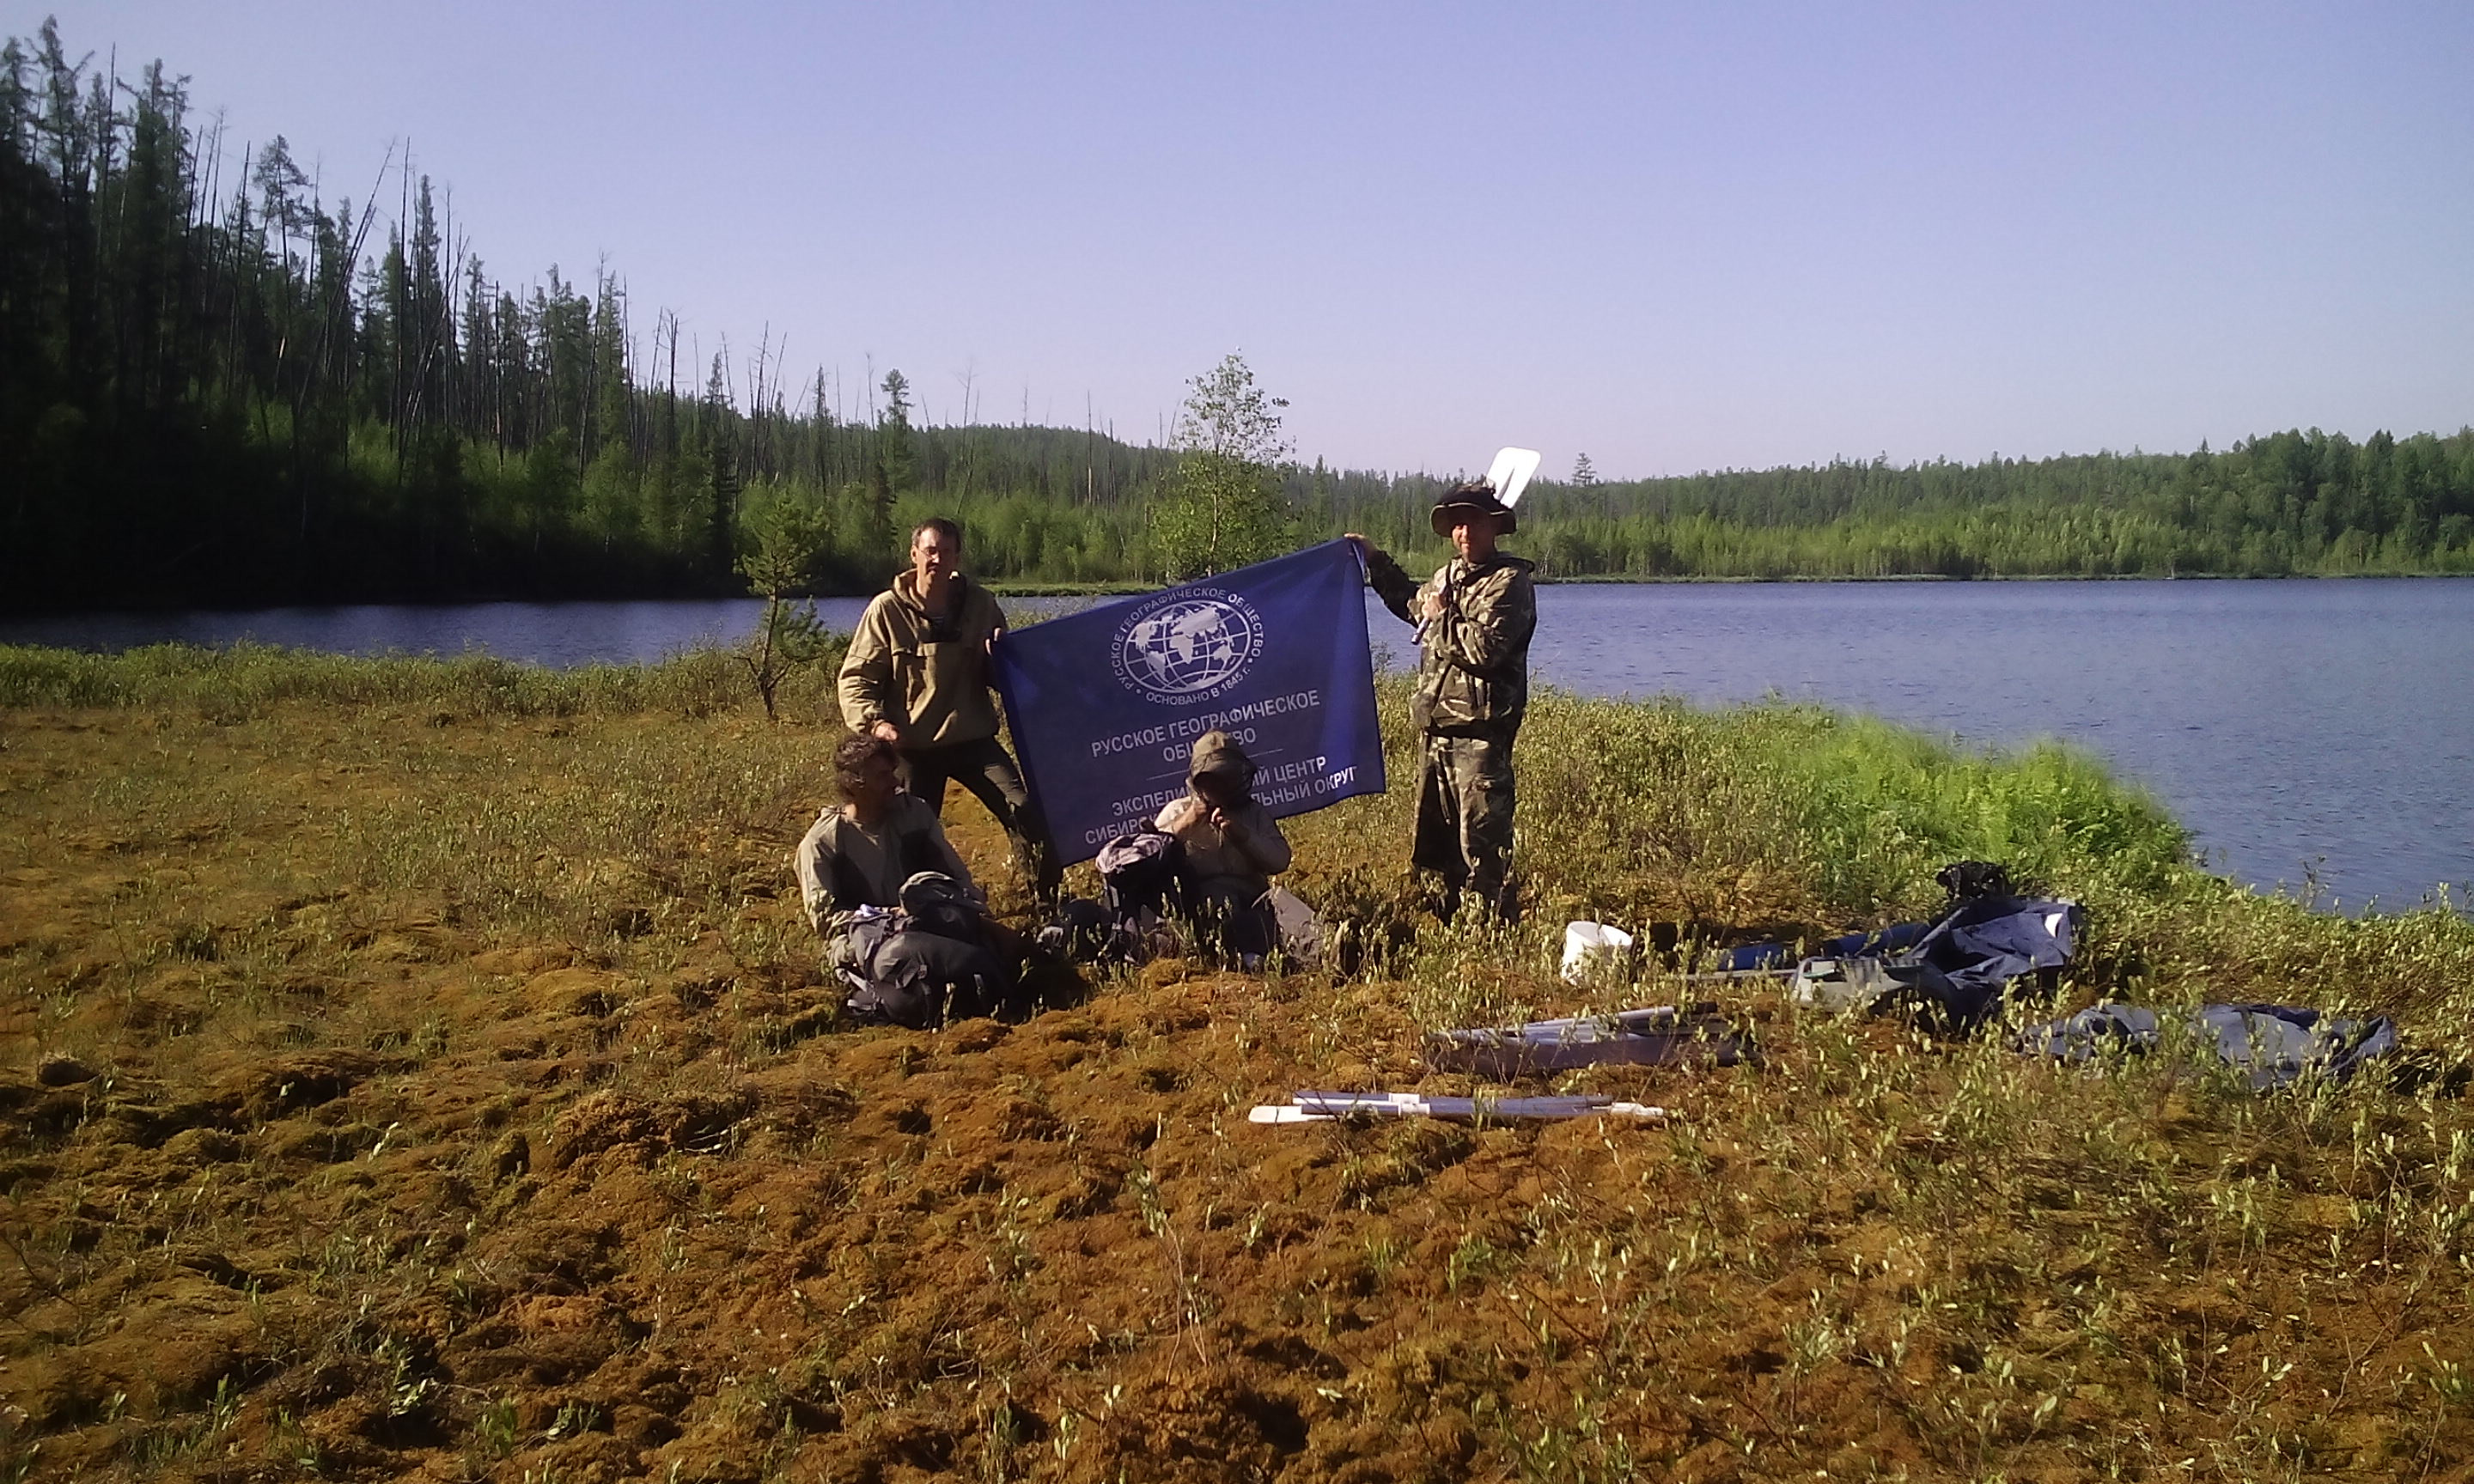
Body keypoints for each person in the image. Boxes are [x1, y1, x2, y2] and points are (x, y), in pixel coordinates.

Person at [838, 517, 1059, 897]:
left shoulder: (980, 604)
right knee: (910, 837)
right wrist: (876, 725)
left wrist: (1003, 659)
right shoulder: (886, 611)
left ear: (958, 558)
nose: (937, 559)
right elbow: (856, 679)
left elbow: (1002, 678)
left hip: (973, 741)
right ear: (914, 555)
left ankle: (1046, 901)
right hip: (912, 748)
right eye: (930, 551)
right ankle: (912, 910)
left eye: (946, 552)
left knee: (1024, 812)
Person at [1348, 480, 1537, 921]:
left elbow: (1484, 650)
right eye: (1457, 525)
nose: (1464, 533)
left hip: (1480, 740)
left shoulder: (1510, 582)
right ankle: (1447, 925)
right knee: (1435, 846)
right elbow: (1412, 606)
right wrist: (1375, 560)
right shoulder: (1447, 576)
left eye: (1472, 522)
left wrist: (1439, 616)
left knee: (1483, 849)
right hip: (1436, 736)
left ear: (1494, 527)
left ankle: (1491, 937)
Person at [795, 734, 1015, 1027]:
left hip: (929, 919)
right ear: (855, 783)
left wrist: (960, 907)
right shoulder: (823, 842)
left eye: (893, 773)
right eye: (883, 776)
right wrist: (891, 916)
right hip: (865, 940)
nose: (895, 783)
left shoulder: (913, 814)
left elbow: (958, 878)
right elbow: (825, 919)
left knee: (1002, 948)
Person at [1154, 730, 1293, 964]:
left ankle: (1329, 952)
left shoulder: (1254, 812)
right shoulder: (1177, 811)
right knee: (1225, 906)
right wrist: (1185, 824)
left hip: (1255, 899)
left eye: (1228, 776)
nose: (1221, 785)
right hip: (1203, 907)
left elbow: (1280, 860)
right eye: (1212, 778)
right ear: (1198, 779)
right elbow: (1149, 858)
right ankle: (1246, 960)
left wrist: (1243, 836)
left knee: (1285, 906)